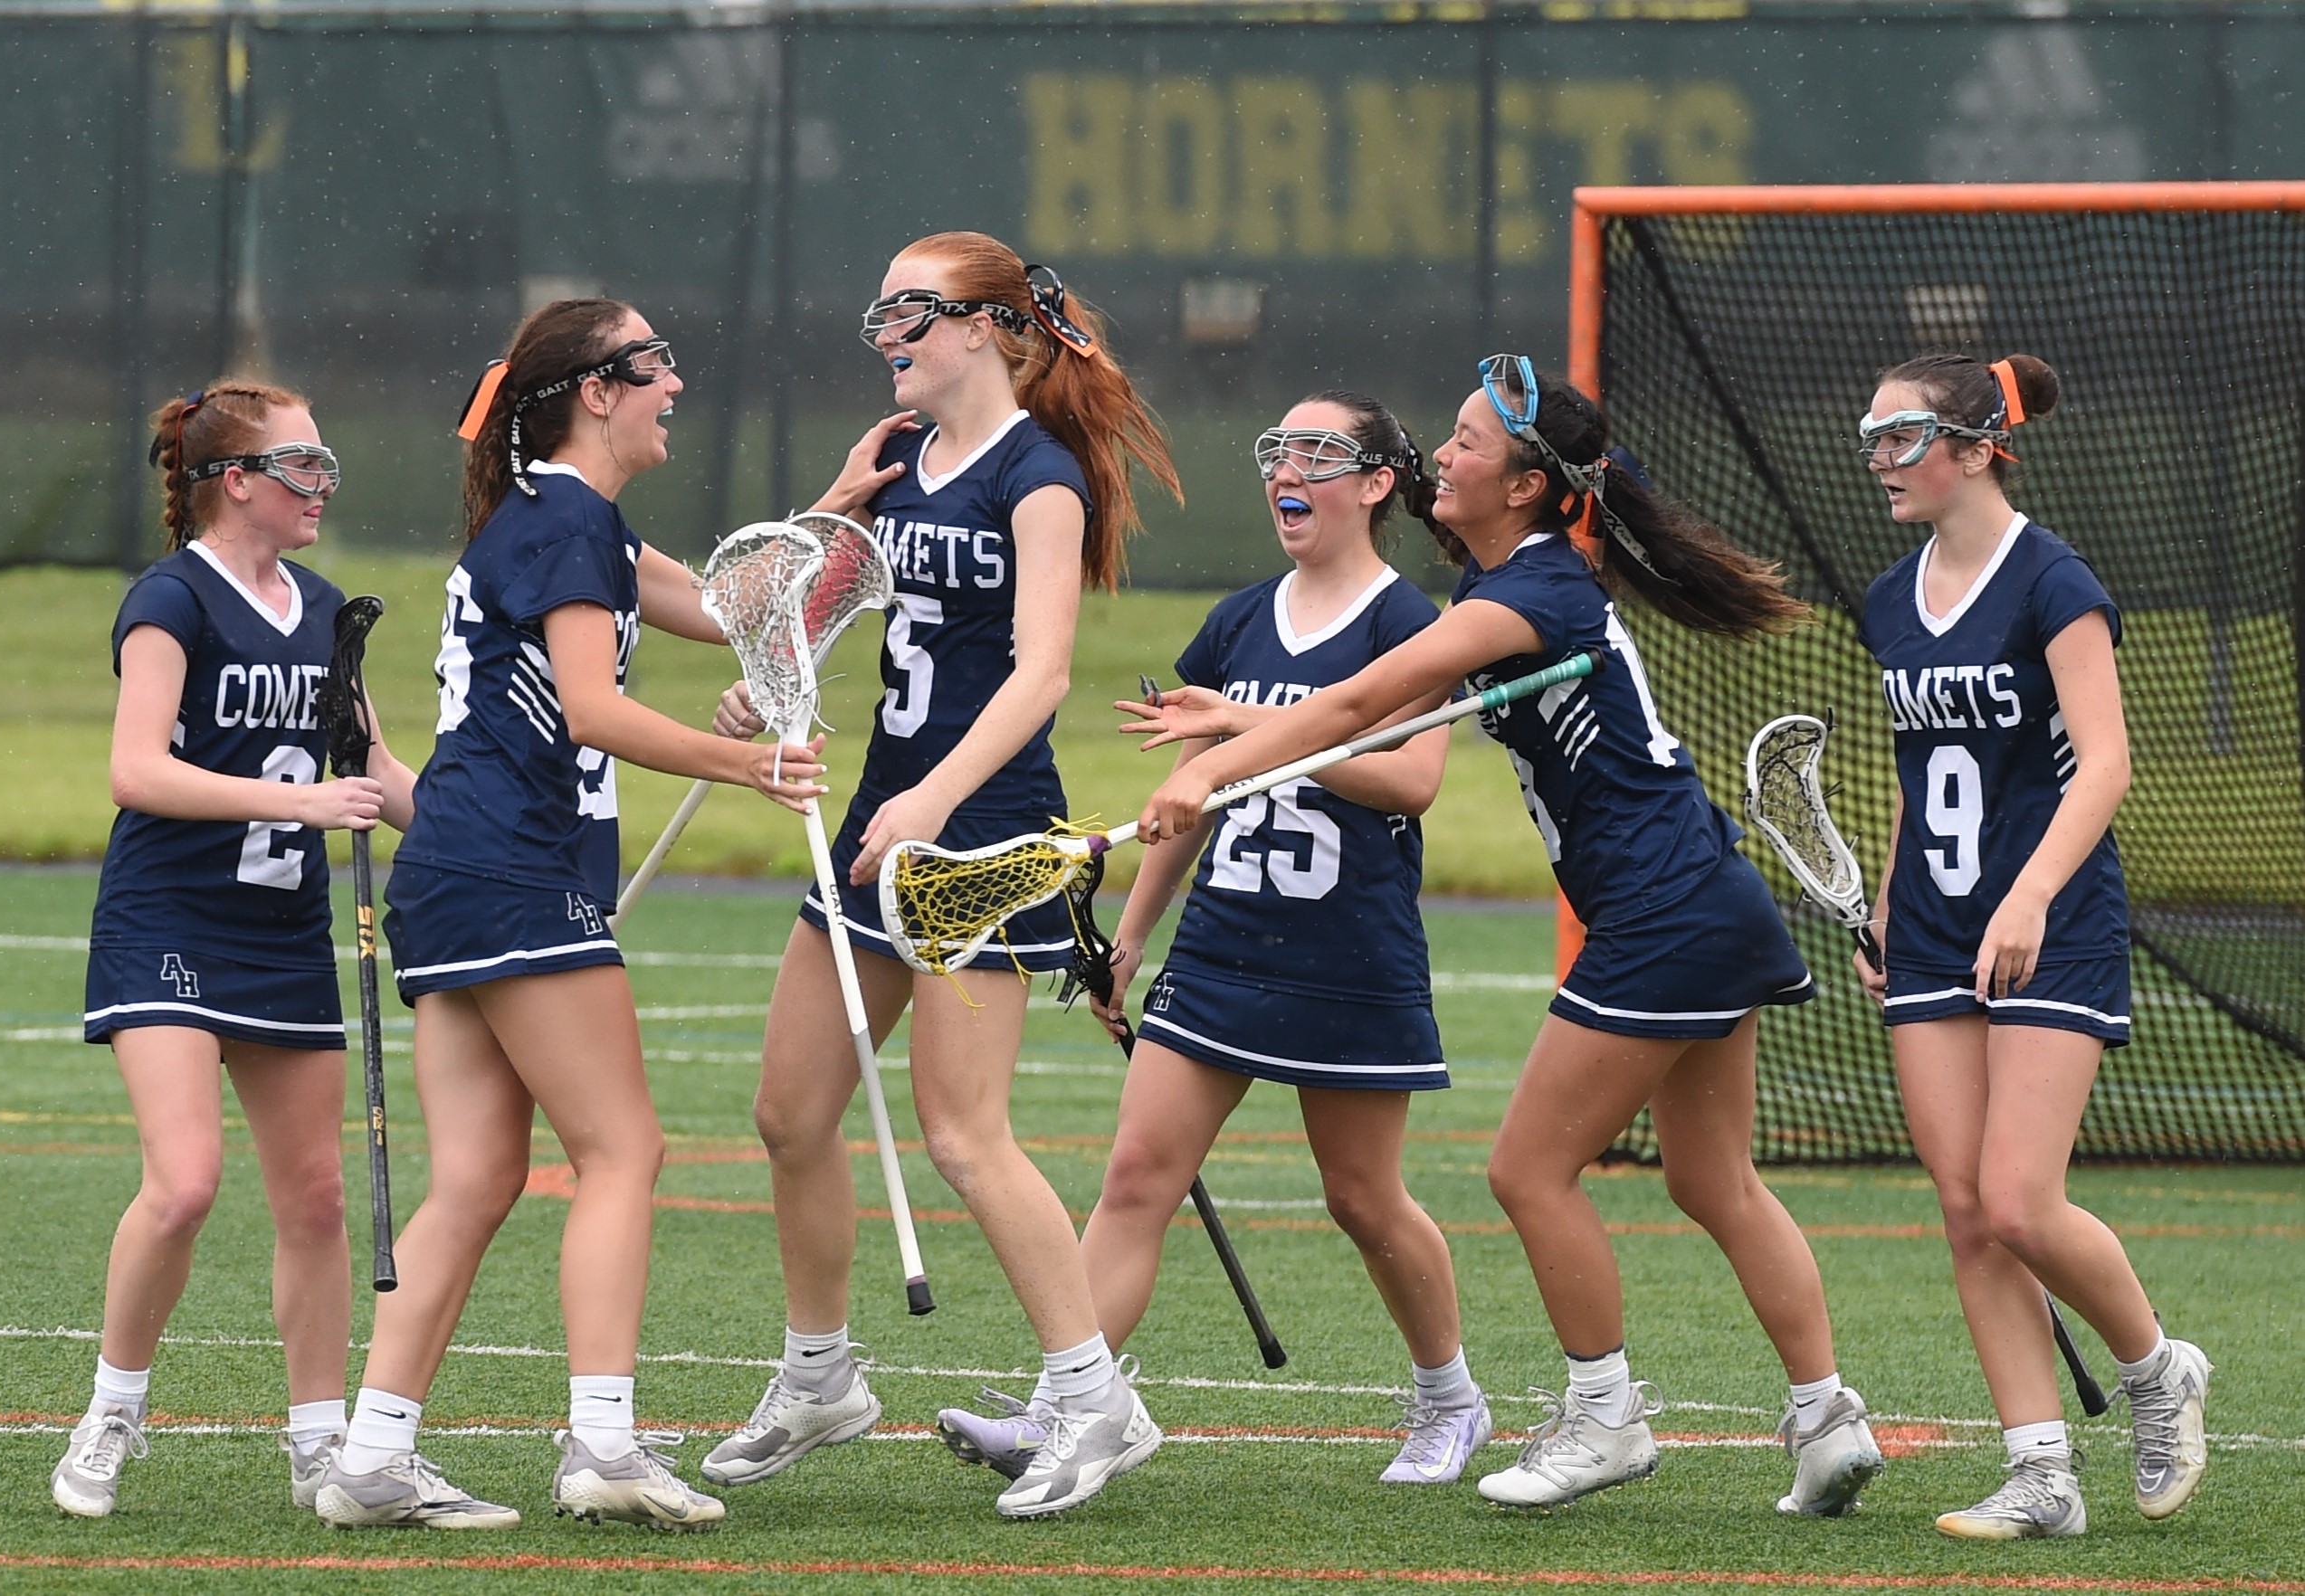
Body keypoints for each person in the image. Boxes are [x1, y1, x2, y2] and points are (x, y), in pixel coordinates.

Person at [1138, 356, 1885, 1518]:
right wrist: (1238, 724)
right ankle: (1828, 1419)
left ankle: (1604, 1419)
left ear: (1527, 486)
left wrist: (1213, 776)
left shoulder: (1524, 597)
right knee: (1712, 1178)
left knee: (1527, 1170)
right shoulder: (1509, 594)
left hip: (1662, 915)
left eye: (1471, 440)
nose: (1447, 454)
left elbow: (1342, 709)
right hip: (1704, 901)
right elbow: (1365, 721)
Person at [313, 299, 825, 1533]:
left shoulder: (569, 521)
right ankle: (602, 1440)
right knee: (622, 1150)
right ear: (596, 390)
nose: (675, 386)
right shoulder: (563, 523)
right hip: (511, 869)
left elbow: (734, 609)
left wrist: (844, 520)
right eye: (653, 366)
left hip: (461, 870)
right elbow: (590, 709)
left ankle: (373, 1457)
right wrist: (744, 767)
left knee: (480, 1175)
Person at [700, 233, 1182, 1519]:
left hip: (973, 840)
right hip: (872, 824)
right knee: (789, 1113)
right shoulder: (902, 463)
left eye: (912, 310)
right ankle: (817, 1380)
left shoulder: (1038, 477)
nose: (888, 334)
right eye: (880, 310)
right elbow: (816, 595)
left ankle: (1092, 1402)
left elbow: (1040, 673)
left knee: (963, 1135)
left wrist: (933, 797)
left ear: (983, 325)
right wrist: (772, 662)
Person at [931, 391, 1489, 1485]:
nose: (1288, 468)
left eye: (1318, 451)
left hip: (1348, 953)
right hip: (1223, 946)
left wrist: (1247, 727)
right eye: (1275, 446)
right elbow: (1192, 797)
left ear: (1376, 483)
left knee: (1361, 1197)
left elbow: (1411, 782)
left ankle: (1449, 1400)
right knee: (1136, 1175)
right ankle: (1067, 1409)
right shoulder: (1237, 622)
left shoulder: (1407, 626)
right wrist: (1131, 936)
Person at [1853, 352, 2210, 1540]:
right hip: (1935, 930)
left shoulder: (2051, 580)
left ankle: (2157, 1369)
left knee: (2014, 1197)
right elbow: (1920, 777)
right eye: (1868, 437)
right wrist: (1892, 905)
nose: (1877, 460)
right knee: (1962, 1211)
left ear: (1970, 446)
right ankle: (2039, 1474)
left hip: (2046, 922)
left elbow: (2102, 762)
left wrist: (2028, 895)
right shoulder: (1886, 599)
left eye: (1898, 437)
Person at [57, 381, 414, 1518]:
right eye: (300, 464)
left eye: (323, 462)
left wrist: (488, 843)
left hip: (279, 937)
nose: (321, 483)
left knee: (315, 1202)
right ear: (236, 482)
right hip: (167, 922)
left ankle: (319, 1442)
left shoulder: (320, 610)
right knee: (185, 1184)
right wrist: (301, 805)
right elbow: (136, 769)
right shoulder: (172, 600)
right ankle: (113, 1409)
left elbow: (377, 765)